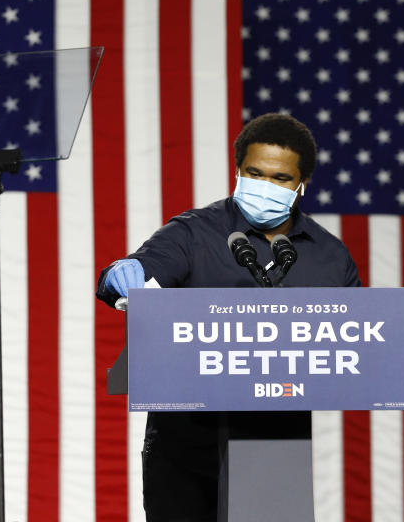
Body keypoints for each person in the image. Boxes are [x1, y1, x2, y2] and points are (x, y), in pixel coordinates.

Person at [96, 113, 362, 521]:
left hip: (275, 443)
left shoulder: (330, 255)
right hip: (184, 442)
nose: (266, 186)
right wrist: (122, 275)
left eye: (280, 179)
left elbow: (356, 345)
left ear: (302, 184)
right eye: (255, 174)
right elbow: (141, 270)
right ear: (238, 172)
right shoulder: (193, 233)